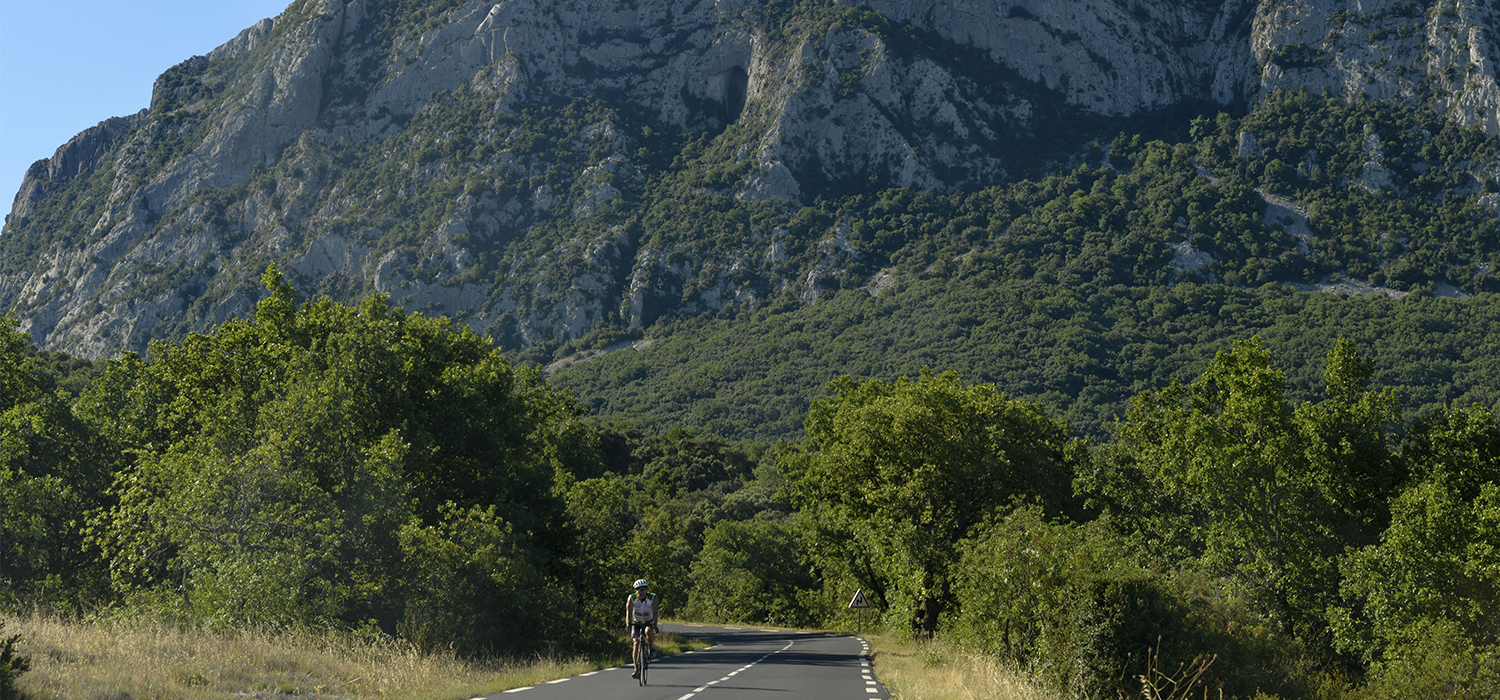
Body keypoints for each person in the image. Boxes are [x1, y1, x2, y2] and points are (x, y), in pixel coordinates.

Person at [626, 578, 659, 678]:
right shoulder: (631, 598)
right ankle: (636, 669)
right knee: (636, 642)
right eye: (639, 589)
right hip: (637, 621)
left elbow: (655, 612)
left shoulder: (652, 597)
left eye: (643, 589)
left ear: (646, 589)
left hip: (648, 620)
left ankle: (651, 648)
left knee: (648, 630)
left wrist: (655, 625)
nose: (641, 591)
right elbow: (628, 612)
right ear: (635, 590)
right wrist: (628, 624)